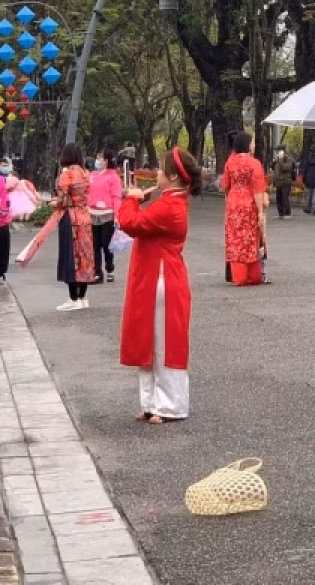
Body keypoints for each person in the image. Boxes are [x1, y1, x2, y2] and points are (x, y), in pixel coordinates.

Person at [118, 147, 201, 424]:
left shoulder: (170, 206)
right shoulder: (171, 201)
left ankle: (169, 405)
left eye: (161, 168)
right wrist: (139, 198)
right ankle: (152, 403)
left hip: (163, 280)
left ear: (174, 176)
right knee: (150, 341)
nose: (156, 173)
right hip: (156, 278)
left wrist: (131, 200)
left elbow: (130, 223)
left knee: (163, 345)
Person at [221, 132, 268, 286]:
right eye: (252, 142)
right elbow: (258, 189)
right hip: (249, 203)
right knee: (251, 238)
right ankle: (254, 275)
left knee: (235, 240)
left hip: (234, 203)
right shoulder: (254, 164)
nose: (253, 145)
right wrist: (260, 211)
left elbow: (225, 186)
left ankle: (238, 276)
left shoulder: (230, 163)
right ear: (247, 145)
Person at [54, 144, 95, 311]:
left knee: (71, 256)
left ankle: (73, 298)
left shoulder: (67, 174)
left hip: (70, 217)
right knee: (85, 255)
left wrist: (54, 203)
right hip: (85, 216)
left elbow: (61, 199)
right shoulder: (86, 174)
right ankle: (83, 297)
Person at [88, 150, 123, 283]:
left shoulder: (113, 177)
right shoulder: (93, 175)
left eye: (100, 158)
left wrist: (117, 215)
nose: (98, 160)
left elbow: (117, 197)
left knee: (106, 244)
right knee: (95, 245)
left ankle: (109, 267)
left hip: (107, 215)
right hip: (93, 213)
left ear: (106, 160)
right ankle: (97, 272)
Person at [271, 145, 296, 219]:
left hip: (285, 181)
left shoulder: (288, 158)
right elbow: (273, 168)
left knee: (285, 197)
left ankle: (287, 213)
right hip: (278, 181)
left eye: (278, 151)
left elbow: (286, 168)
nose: (276, 152)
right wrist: (274, 162)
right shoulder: (277, 159)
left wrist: (281, 160)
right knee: (278, 198)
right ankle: (280, 213)